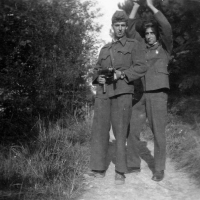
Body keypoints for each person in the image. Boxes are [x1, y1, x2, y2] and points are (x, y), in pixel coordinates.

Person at [89, 10, 147, 185]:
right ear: (112, 27)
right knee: (99, 131)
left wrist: (121, 74)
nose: (120, 29)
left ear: (125, 27)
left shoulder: (133, 45)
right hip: (103, 94)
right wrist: (96, 78)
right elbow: (96, 69)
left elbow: (141, 67)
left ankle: (120, 171)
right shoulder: (105, 49)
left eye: (123, 25)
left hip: (122, 94)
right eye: (117, 25)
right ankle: (98, 168)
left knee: (121, 132)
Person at [126, 0, 173, 182]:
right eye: (147, 34)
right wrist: (137, 5)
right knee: (133, 128)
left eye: (152, 33)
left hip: (158, 95)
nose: (149, 36)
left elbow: (167, 27)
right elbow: (130, 30)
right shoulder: (141, 48)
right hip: (142, 95)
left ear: (156, 35)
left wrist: (151, 6)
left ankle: (159, 169)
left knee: (158, 133)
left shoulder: (165, 49)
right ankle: (133, 164)